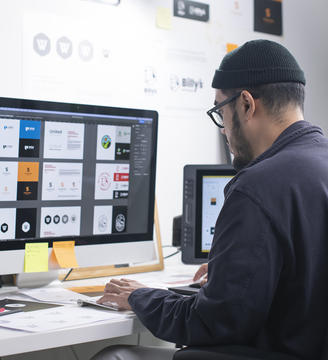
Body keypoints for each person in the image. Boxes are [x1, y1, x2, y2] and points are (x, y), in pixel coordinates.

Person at [92, 39, 328, 360]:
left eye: (220, 111)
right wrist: (233, 271)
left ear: (246, 104)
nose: (222, 130)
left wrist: (142, 297)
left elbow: (214, 323)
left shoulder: (256, 186)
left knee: (117, 356)